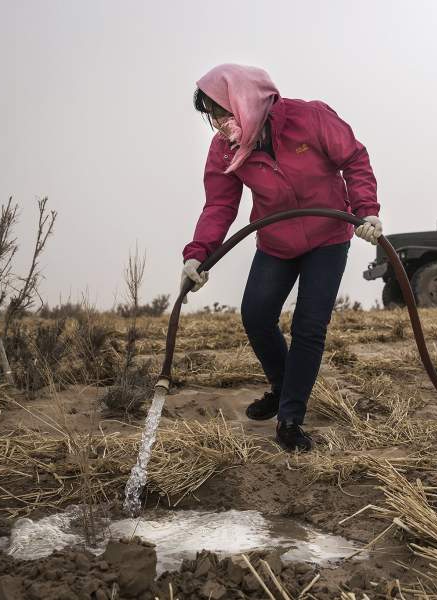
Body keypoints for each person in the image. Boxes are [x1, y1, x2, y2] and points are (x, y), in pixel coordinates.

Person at [180, 64, 382, 452]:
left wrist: (366, 209)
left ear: (243, 100)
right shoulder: (226, 148)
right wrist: (198, 255)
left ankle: (290, 417)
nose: (218, 125)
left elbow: (354, 159)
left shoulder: (309, 118)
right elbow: (220, 204)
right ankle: (282, 386)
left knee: (309, 326)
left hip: (328, 237)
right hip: (276, 241)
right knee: (255, 315)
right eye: (212, 117)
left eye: (221, 113)